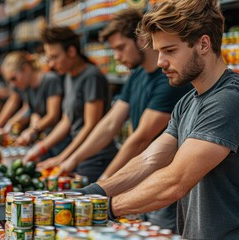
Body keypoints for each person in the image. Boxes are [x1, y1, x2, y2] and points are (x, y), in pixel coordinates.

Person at [77, 0, 239, 239]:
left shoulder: (229, 100)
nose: (160, 62)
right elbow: (149, 159)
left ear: (203, 44)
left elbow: (175, 181)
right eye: (159, 51)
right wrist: (92, 192)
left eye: (170, 50)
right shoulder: (188, 101)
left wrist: (107, 207)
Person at [50, 9, 192, 230]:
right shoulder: (137, 74)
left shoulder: (168, 81)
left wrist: (105, 184)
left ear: (141, 40)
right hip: (136, 177)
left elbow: (140, 138)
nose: (116, 56)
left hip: (161, 183)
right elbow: (108, 124)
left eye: (120, 47)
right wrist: (71, 160)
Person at [23, 26, 118, 183]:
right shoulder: (68, 76)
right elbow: (67, 121)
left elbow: (90, 126)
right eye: (48, 58)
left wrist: (62, 157)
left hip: (95, 158)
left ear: (72, 52)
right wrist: (41, 148)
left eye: (54, 57)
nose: (51, 64)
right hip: (78, 156)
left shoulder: (91, 77)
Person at [1, 51, 64, 149]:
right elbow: (30, 110)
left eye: (14, 78)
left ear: (26, 69)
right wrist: (9, 125)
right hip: (45, 139)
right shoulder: (27, 86)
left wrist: (32, 130)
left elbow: (53, 116)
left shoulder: (50, 80)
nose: (13, 84)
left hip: (59, 140)